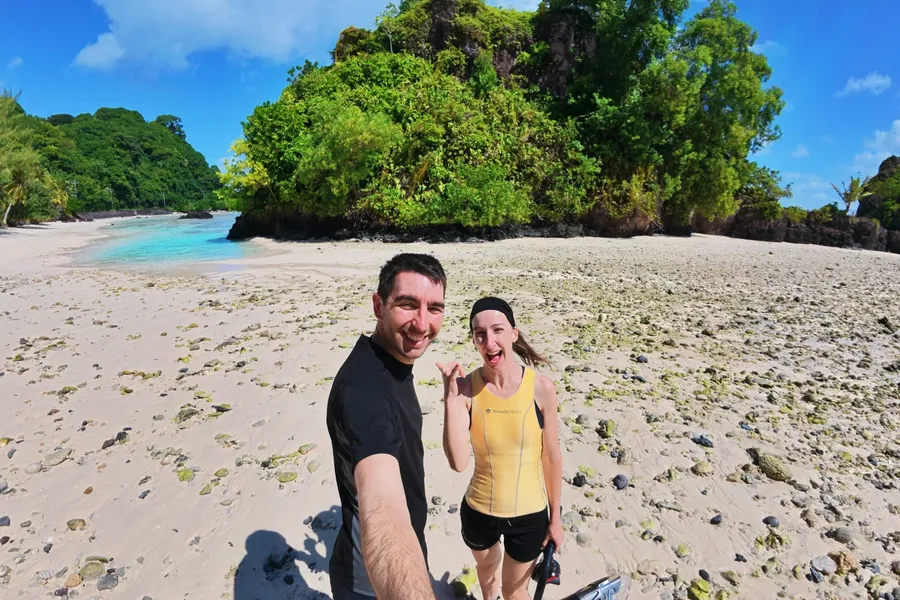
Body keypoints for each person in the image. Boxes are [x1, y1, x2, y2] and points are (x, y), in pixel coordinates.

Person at [326, 253, 447, 600]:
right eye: (407, 305)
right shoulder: (367, 389)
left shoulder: (388, 361)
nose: (422, 324)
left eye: (434, 308)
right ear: (378, 306)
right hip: (371, 584)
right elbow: (383, 504)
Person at [438, 296, 564, 600]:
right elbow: (458, 462)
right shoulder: (466, 389)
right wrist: (450, 397)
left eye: (497, 330)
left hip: (530, 517)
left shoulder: (541, 388)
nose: (489, 341)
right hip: (478, 511)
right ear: (474, 341)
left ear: (513, 334)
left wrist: (555, 519)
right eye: (480, 334)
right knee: (487, 573)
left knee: (514, 591)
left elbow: (550, 456)